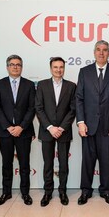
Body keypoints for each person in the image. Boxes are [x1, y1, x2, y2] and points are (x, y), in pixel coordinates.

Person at [76, 40, 109, 205]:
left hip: (108, 126)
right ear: (94, 52)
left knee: (106, 160)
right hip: (88, 126)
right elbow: (79, 99)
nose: (101, 53)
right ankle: (85, 191)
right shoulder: (84, 72)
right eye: (98, 50)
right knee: (87, 161)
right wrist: (80, 122)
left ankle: (106, 191)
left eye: (104, 50)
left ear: (108, 53)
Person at [0, 55, 36, 206]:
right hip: (5, 132)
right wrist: (8, 126)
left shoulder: (30, 85)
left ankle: (25, 193)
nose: (15, 67)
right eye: (12, 64)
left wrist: (21, 126)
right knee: (7, 164)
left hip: (24, 131)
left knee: (24, 164)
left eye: (18, 65)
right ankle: (6, 192)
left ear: (21, 67)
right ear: (7, 67)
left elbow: (32, 108)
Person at [35, 57, 76, 207]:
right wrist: (50, 127)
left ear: (64, 68)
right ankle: (48, 192)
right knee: (48, 163)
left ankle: (62, 191)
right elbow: (38, 108)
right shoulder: (42, 85)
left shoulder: (71, 86)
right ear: (50, 68)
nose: (58, 70)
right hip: (47, 131)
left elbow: (73, 109)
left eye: (61, 67)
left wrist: (62, 127)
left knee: (63, 163)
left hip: (64, 131)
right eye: (55, 67)